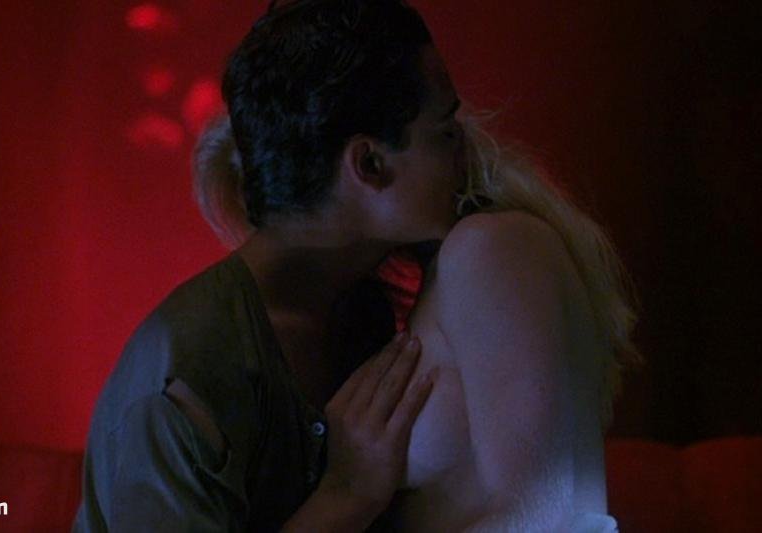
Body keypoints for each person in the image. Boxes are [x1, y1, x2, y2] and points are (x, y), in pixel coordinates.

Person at [191, 2, 641, 532]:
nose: (462, 144)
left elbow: (545, 519)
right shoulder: (452, 269)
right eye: (445, 130)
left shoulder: (491, 248)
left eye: (446, 129)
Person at [75, 1, 461, 531]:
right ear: (369, 164)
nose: (467, 153)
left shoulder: (361, 311)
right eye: (447, 131)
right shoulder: (186, 374)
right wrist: (346, 495)